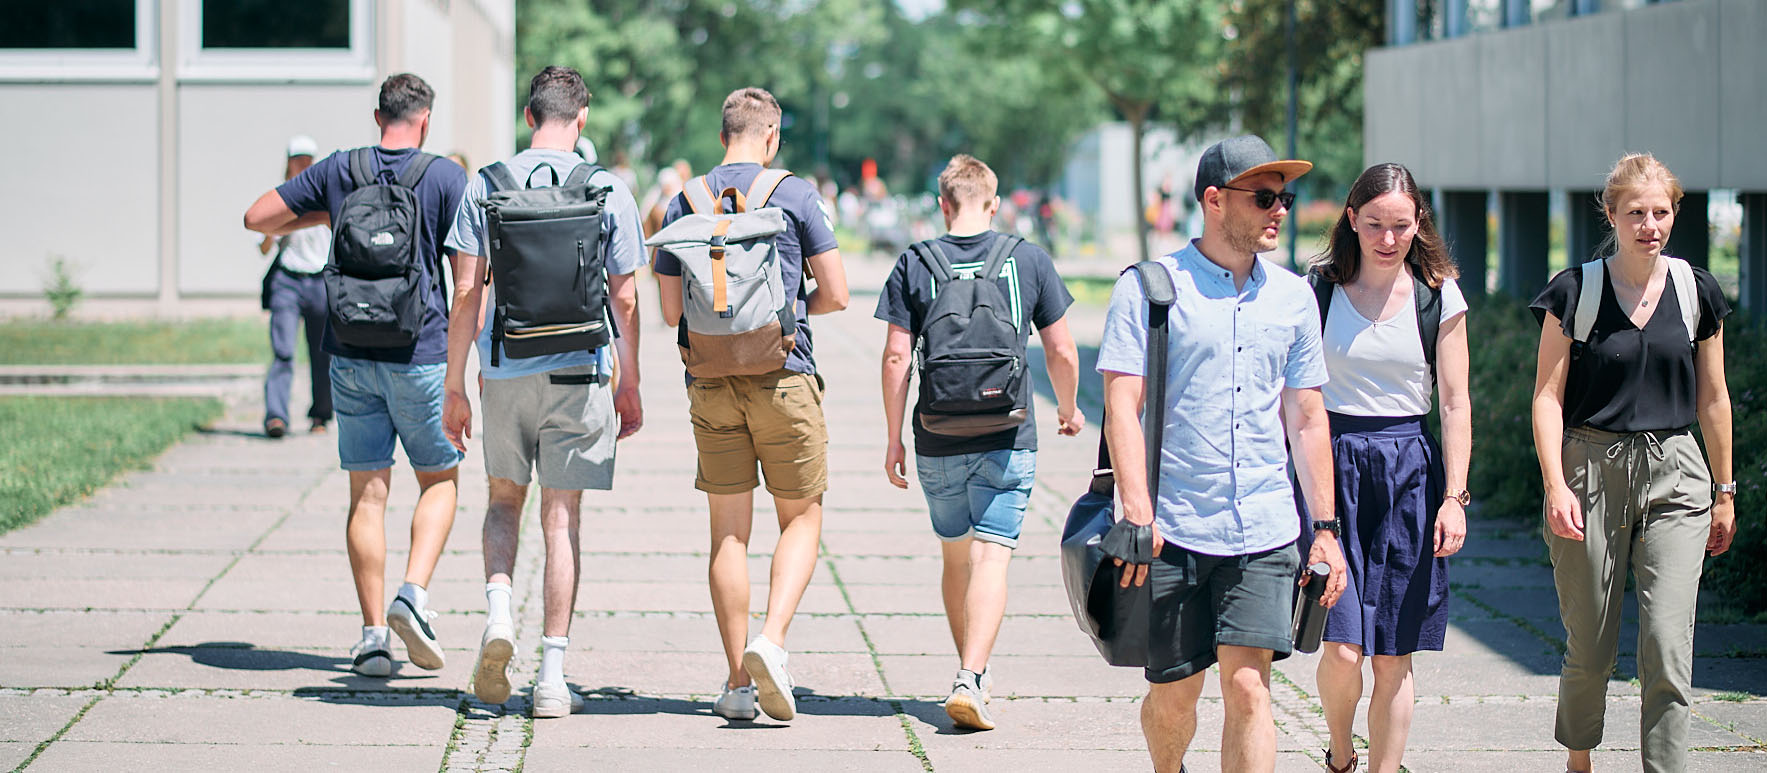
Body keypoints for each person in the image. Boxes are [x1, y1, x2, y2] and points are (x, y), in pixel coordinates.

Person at [1094, 135, 1348, 773]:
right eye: (1264, 197)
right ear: (1213, 200)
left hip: (1264, 526)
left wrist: (1324, 528)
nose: (1280, 211)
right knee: (1175, 698)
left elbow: (1307, 416)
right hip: (1174, 528)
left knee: (1249, 688)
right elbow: (1122, 406)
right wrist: (1137, 508)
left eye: (1284, 198)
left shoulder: (1292, 298)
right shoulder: (1151, 289)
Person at [243, 73, 468, 678]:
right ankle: (412, 596)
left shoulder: (339, 169)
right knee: (440, 481)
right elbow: (470, 276)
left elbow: (257, 217)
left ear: (378, 117)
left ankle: (372, 639)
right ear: (425, 119)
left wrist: (322, 217)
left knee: (367, 494)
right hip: (418, 352)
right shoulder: (445, 176)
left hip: (348, 349)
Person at [441, 66, 646, 719]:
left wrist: (455, 383)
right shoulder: (607, 187)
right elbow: (626, 294)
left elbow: (467, 292)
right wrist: (629, 378)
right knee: (562, 517)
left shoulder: (486, 184)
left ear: (529, 117)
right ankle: (552, 676)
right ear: (580, 117)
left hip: (503, 368)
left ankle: (500, 609)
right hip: (579, 371)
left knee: (504, 502)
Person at [1530, 153, 1735, 773]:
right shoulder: (1576, 291)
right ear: (1612, 215)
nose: (1651, 224)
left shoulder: (1696, 290)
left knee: (1669, 644)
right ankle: (1580, 758)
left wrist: (1726, 489)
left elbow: (1715, 397)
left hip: (1678, 471)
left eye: (1661, 212)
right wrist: (1555, 484)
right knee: (1590, 647)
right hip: (1589, 469)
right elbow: (1546, 396)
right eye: (1636, 213)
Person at [652, 86, 849, 723]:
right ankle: (773, 640)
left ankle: (738, 682)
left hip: (709, 381)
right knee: (800, 518)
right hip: (784, 373)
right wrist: (788, 311)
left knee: (728, 531)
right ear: (773, 137)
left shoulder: (683, 200)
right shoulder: (794, 193)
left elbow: (670, 311)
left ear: (721, 137)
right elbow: (840, 294)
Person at [875, 154, 1083, 731]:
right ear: (994, 205)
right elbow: (1063, 351)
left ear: (943, 205)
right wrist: (1068, 410)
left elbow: (896, 356)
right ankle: (972, 677)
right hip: (1008, 430)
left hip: (936, 435)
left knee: (955, 554)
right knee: (992, 555)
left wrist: (892, 437)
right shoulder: (1027, 259)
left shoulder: (914, 263)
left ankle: (970, 670)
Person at [1304, 163, 1471, 773]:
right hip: (1333, 470)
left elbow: (1454, 402)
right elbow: (1293, 399)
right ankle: (1342, 750)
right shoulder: (1317, 289)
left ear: (1417, 223)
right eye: (1374, 224)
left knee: (1394, 653)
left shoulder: (1438, 294)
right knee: (1344, 645)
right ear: (1352, 220)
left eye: (1401, 225)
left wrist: (1455, 496)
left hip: (1410, 474)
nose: (1387, 238)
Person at [255, 135, 333, 438]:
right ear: (287, 162)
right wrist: (273, 228)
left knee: (322, 352)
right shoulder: (280, 197)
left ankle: (320, 415)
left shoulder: (325, 195)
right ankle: (276, 416)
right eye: (297, 159)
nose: (302, 165)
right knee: (283, 350)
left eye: (307, 160)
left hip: (319, 280)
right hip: (287, 280)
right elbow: (263, 247)